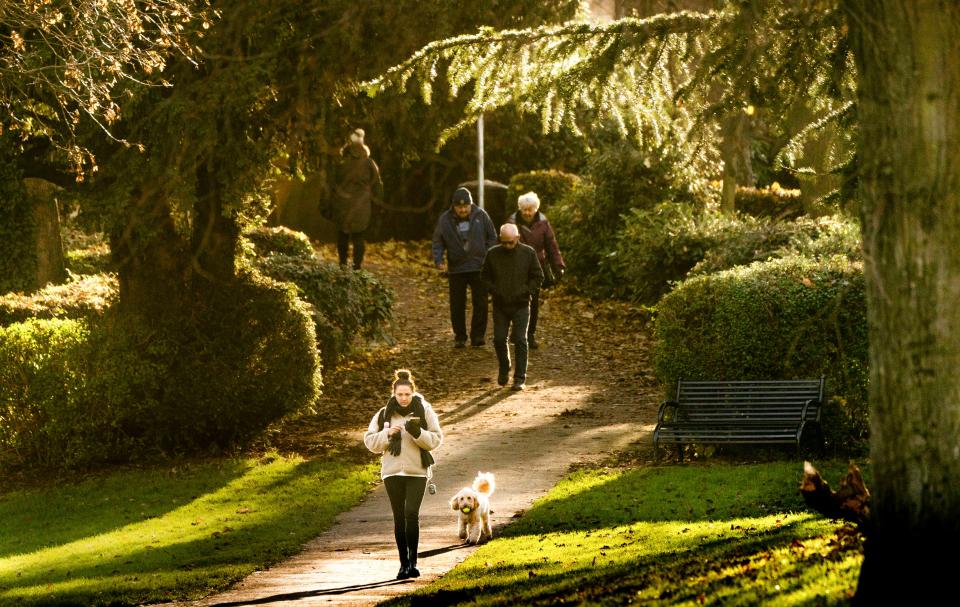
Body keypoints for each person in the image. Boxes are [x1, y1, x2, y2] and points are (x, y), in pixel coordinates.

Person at [363, 369, 443, 580]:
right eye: (400, 395)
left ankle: (414, 562)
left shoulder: (424, 410)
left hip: (417, 472)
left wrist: (417, 433)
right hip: (392, 472)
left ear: (413, 393)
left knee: (411, 514)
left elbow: (436, 440)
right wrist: (387, 434)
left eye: (407, 394)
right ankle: (403, 564)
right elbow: (370, 442)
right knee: (399, 517)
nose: (404, 398)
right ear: (394, 394)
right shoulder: (384, 414)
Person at [431, 187, 497, 348]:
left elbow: (492, 237)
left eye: (465, 206)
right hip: (456, 269)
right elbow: (438, 241)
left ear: (471, 205)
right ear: (453, 206)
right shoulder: (445, 220)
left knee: (481, 303)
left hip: (479, 267)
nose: (462, 209)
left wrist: (489, 258)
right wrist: (438, 260)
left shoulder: (482, 215)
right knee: (457, 304)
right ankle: (460, 336)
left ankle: (478, 336)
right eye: (459, 207)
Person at [481, 223, 543, 390]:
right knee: (499, 339)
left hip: (521, 304)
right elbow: (485, 277)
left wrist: (526, 291)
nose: (508, 246)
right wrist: (495, 290)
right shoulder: (493, 254)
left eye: (511, 242)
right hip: (500, 304)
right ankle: (504, 365)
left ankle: (519, 378)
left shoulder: (528, 253)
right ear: (500, 239)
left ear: (517, 238)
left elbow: (538, 276)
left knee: (521, 339)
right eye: (504, 242)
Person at [507, 191, 565, 349]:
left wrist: (558, 265)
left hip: (536, 268)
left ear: (535, 209)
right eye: (524, 209)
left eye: (530, 209)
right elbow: (504, 244)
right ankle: (516, 331)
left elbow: (552, 245)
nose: (527, 212)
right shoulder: (512, 222)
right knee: (516, 301)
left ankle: (529, 334)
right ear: (519, 208)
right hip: (516, 267)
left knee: (533, 303)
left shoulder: (544, 223)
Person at [331, 128, 383, 269]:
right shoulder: (369, 163)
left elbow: (332, 184)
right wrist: (376, 203)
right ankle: (357, 266)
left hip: (343, 204)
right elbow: (377, 185)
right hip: (361, 205)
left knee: (343, 235)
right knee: (359, 237)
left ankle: (342, 264)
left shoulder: (340, 162)